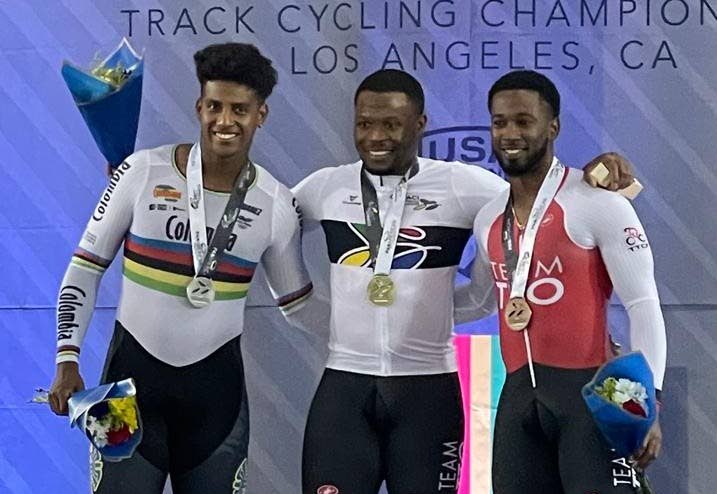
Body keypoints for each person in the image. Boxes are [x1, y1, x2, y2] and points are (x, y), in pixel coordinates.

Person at [293, 68, 636, 494]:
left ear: (420, 125)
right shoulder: (325, 187)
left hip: (428, 391)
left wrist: (595, 173)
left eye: (391, 124)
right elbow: (269, 223)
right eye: (364, 124)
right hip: (343, 385)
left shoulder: (462, 185)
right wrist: (296, 301)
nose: (376, 136)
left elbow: (536, 200)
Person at [48, 43, 315, 493]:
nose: (225, 121)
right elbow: (84, 269)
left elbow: (298, 305)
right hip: (127, 393)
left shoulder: (276, 203)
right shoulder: (140, 172)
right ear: (199, 106)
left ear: (261, 116)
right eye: (215, 106)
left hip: (217, 404)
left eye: (240, 109)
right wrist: (67, 358)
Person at [464, 70, 666, 493]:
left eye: (523, 120)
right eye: (500, 122)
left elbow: (643, 303)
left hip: (591, 399)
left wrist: (648, 402)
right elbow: (482, 299)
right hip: (518, 402)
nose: (510, 133)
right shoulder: (487, 219)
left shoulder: (597, 202)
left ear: (552, 127)